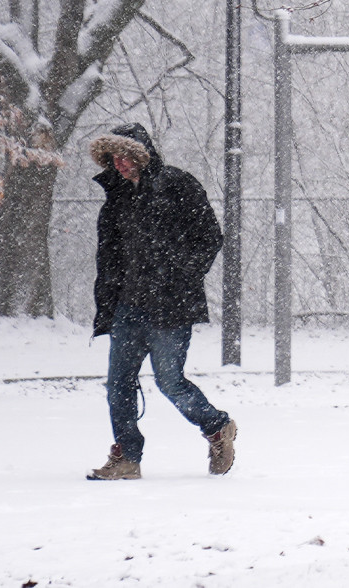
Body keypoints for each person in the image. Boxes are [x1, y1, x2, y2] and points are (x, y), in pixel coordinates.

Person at [85, 123, 237, 480]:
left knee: (169, 381)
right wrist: (108, 300)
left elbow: (210, 237)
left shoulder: (177, 185)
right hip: (128, 308)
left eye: (124, 156)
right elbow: (109, 257)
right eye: (113, 159)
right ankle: (127, 456)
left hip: (171, 306)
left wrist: (179, 275)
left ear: (141, 154)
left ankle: (217, 427)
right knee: (119, 383)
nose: (119, 164)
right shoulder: (116, 198)